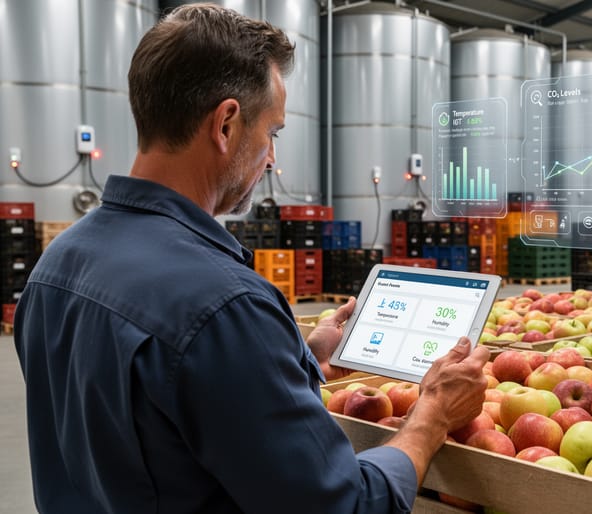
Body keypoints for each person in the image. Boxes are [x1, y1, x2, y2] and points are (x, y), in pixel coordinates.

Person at [14, 4, 489, 513]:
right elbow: (345, 506)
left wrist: (300, 355)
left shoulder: (54, 266)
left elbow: (155, 413)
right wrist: (432, 416)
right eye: (274, 132)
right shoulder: (224, 305)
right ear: (226, 124)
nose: (272, 157)